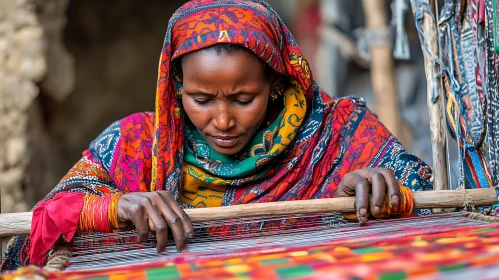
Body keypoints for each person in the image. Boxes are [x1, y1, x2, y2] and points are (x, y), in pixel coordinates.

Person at [0, 0, 432, 271]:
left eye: (244, 99)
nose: (223, 121)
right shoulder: (135, 146)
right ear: (175, 88)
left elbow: (435, 217)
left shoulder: (341, 134)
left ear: (277, 85)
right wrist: (112, 206)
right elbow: (24, 247)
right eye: (201, 99)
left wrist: (377, 191)